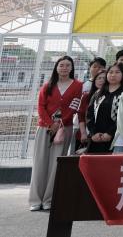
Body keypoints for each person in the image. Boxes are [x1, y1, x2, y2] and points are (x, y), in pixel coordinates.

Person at [28, 56, 83, 211]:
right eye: (61, 65)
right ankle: (35, 199)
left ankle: (49, 199)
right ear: (56, 67)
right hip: (44, 128)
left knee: (55, 165)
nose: (64, 68)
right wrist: (50, 123)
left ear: (72, 68)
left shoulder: (78, 86)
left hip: (64, 129)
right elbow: (41, 107)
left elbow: (74, 106)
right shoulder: (47, 86)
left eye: (67, 65)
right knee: (40, 163)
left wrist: (60, 123)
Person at [84, 63, 123, 154]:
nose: (113, 75)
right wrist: (93, 133)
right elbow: (89, 114)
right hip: (96, 138)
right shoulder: (99, 92)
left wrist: (110, 133)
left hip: (116, 138)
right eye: (110, 72)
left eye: (117, 72)